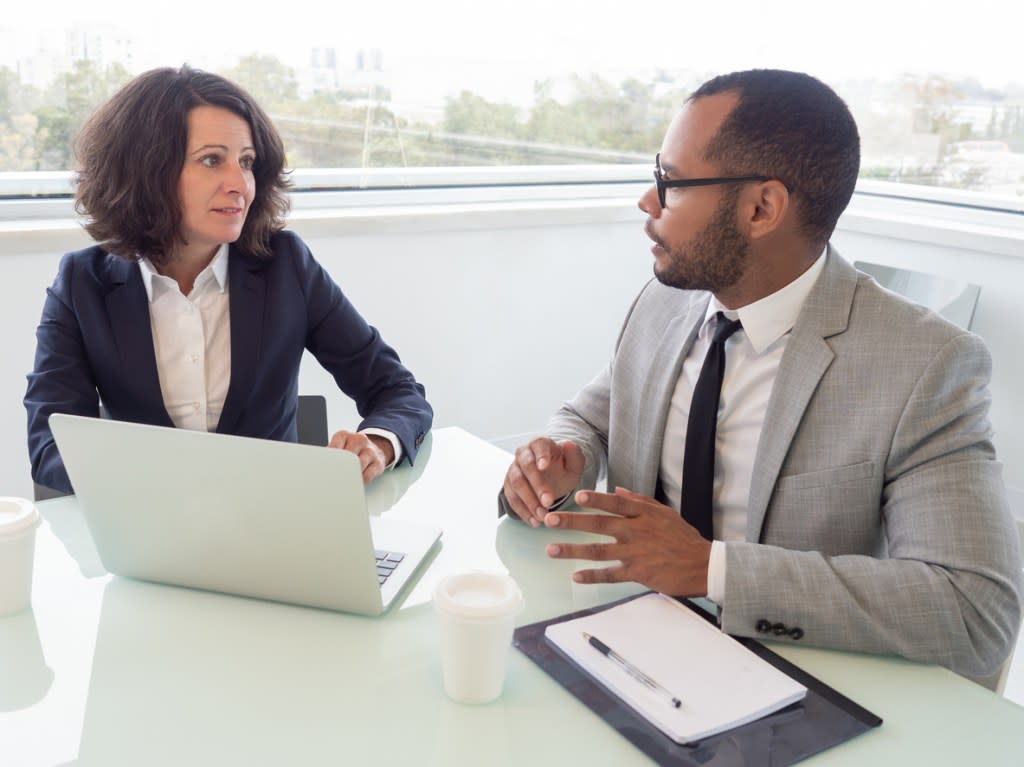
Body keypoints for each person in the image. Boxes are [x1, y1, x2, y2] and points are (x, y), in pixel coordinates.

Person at [500, 69, 1022, 677]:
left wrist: (711, 569)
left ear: (761, 208)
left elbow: (974, 611)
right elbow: (590, 418)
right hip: (627, 642)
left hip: (794, 685)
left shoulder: (925, 365)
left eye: (669, 182)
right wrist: (560, 463)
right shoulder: (664, 300)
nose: (647, 202)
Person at [25, 65, 432, 494]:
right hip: (147, 540)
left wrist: (377, 444)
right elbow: (49, 445)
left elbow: (398, 391)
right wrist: (165, 483)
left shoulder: (287, 266)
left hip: (273, 530)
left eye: (247, 162)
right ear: (146, 169)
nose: (240, 184)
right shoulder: (81, 283)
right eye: (211, 160)